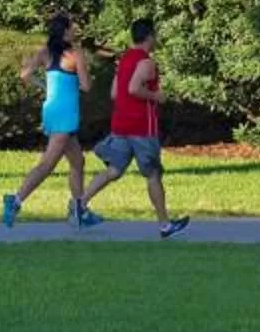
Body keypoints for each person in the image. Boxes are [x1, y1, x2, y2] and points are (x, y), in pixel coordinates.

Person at [81, 17, 190, 239]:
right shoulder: (146, 62)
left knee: (114, 170)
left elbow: (115, 93)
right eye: (155, 35)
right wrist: (155, 96)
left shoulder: (124, 61)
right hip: (142, 127)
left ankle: (80, 204)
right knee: (153, 174)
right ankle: (165, 225)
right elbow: (133, 89)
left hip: (121, 125)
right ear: (149, 36)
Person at [0, 14, 94, 228]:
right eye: (72, 26)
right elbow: (86, 86)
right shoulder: (75, 54)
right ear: (65, 31)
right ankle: (15, 200)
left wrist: (45, 86)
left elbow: (24, 74)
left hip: (52, 110)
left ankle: (79, 210)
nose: (75, 29)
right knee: (47, 165)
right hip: (66, 112)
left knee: (78, 161)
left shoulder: (46, 53)